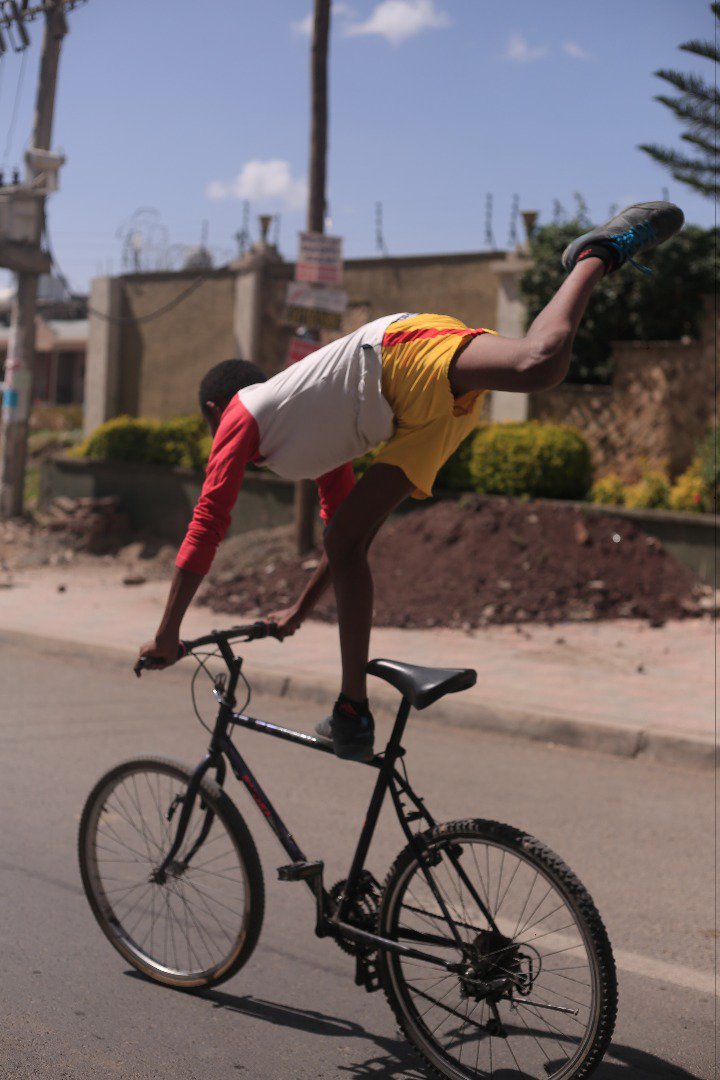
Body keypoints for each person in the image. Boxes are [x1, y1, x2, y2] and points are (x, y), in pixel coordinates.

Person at [137, 200, 684, 762]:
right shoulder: (301, 430)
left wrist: (167, 632)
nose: (218, 442)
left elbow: (207, 523)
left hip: (395, 355)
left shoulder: (241, 414)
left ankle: (595, 254)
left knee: (538, 363)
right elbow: (343, 539)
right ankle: (352, 711)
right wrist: (299, 609)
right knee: (349, 537)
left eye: (213, 429)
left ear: (214, 410)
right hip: (420, 419)